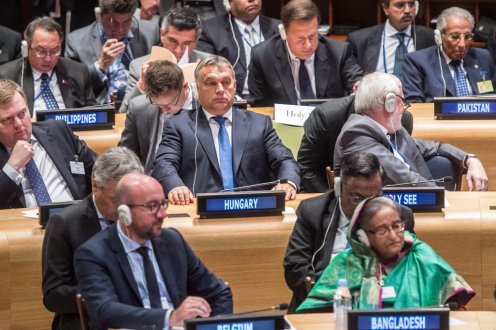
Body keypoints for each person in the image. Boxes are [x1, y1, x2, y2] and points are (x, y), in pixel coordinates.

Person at [74, 173, 233, 329]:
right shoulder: (93, 254)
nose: (162, 214)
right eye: (152, 206)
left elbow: (220, 293)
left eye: (163, 204)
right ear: (124, 213)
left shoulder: (172, 241)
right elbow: (105, 310)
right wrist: (169, 318)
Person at [152, 55, 300, 204]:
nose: (220, 89)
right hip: (200, 209)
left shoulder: (259, 123)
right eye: (211, 83)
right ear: (197, 88)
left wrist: (288, 183)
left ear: (234, 86)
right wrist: (176, 187)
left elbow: (284, 160)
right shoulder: (178, 125)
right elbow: (164, 163)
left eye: (226, 82)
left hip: (253, 208)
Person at [283, 152, 414, 313]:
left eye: (375, 197)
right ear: (339, 189)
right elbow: (295, 267)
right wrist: (326, 292)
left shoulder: (399, 216)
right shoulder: (313, 212)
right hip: (326, 306)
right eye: (357, 198)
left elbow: (410, 267)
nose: (366, 206)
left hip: (383, 306)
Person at [297, 196, 475, 312]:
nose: (393, 236)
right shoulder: (347, 262)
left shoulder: (420, 255)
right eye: (382, 230)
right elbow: (314, 314)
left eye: (397, 226)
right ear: (363, 236)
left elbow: (456, 308)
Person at [42, 146, 144, 330]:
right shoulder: (64, 223)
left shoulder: (143, 214)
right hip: (86, 319)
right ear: (95, 185)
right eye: (115, 200)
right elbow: (53, 296)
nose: (124, 208)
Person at [334, 71, 488, 191]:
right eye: (402, 101)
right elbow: (406, 180)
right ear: (389, 103)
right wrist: (448, 199)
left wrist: (470, 159)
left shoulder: (391, 130)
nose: (404, 108)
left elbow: (435, 147)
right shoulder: (356, 135)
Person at [0, 79, 96, 209]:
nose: (18, 124)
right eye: (7, 119)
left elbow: (98, 166)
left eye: (22, 114)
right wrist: (11, 167)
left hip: (74, 219)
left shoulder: (58, 130)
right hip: (24, 225)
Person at [248, 0, 363, 106]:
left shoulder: (339, 52)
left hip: (329, 123)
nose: (308, 45)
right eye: (300, 39)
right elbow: (258, 106)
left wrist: (361, 87)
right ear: (284, 33)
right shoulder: (262, 56)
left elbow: (357, 81)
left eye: (312, 36)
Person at [297, 94, 414, 193]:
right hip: (335, 190)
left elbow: (408, 152)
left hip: (385, 193)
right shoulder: (326, 117)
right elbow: (308, 170)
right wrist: (333, 201)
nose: (401, 108)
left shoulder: (401, 120)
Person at [65, 0, 159, 104]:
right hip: (101, 108)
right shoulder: (77, 41)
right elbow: (71, 89)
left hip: (141, 106)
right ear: (100, 15)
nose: (120, 29)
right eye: (113, 22)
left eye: (127, 21)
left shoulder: (150, 32)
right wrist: (100, 66)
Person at [0, 17, 96, 117]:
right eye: (41, 51)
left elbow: (93, 114)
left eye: (54, 51)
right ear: (26, 48)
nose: (48, 59)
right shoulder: (6, 76)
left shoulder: (78, 72)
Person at [120, 7, 209, 112]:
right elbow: (124, 113)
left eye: (187, 43)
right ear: (162, 34)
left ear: (196, 41)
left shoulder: (209, 65)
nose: (178, 50)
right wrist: (141, 85)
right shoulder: (138, 66)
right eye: (173, 40)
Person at [401, 7, 496, 102]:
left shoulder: (483, 57)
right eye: (455, 36)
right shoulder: (417, 61)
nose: (462, 44)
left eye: (467, 36)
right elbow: (414, 105)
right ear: (439, 36)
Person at [119, 60, 195, 173]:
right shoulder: (139, 107)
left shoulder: (204, 104)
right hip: (151, 178)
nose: (165, 110)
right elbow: (126, 153)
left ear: (185, 87)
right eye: (158, 105)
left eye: (171, 103)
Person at [196, 0, 280, 98]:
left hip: (274, 99)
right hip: (232, 99)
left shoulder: (280, 28)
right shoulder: (210, 30)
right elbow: (207, 73)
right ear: (228, 3)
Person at [347, 0, 435, 76]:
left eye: (411, 4)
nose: (407, 10)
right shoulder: (359, 40)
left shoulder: (430, 37)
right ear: (385, 8)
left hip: (416, 94)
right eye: (400, 5)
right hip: (378, 93)